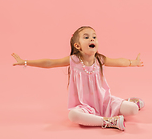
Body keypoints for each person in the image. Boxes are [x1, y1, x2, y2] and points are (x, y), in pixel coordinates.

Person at [11, 26, 144, 131]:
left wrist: (133, 62)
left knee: (133, 109)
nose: (92, 39)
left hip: (104, 102)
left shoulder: (99, 59)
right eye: (86, 37)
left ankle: (128, 102)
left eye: (94, 37)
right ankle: (109, 122)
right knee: (73, 116)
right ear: (77, 46)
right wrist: (25, 62)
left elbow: (119, 62)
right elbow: (50, 63)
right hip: (84, 106)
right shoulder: (74, 60)